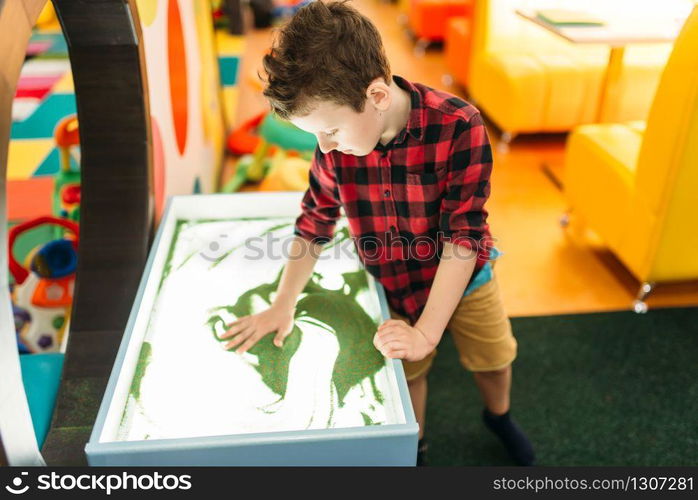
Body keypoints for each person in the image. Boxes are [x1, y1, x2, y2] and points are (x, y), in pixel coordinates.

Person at [221, 0, 535, 466]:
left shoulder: (459, 124)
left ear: (378, 97)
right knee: (407, 375)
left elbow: (464, 237)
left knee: (493, 358)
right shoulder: (332, 146)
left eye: (329, 129)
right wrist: (282, 303)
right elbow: (314, 222)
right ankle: (417, 447)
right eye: (316, 135)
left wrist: (429, 331)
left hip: (468, 280)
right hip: (393, 285)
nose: (324, 146)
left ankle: (499, 416)